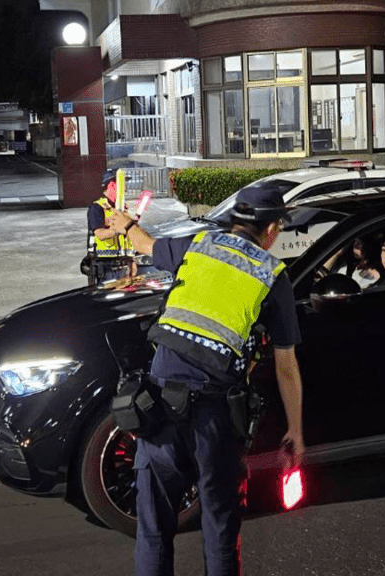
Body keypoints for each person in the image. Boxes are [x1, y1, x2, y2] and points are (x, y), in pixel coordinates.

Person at [107, 188, 305, 576]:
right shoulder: (272, 274)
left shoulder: (198, 244)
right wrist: (295, 431)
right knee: (219, 532)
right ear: (270, 230)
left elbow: (145, 244)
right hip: (213, 420)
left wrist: (124, 223)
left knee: (154, 532)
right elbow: (286, 367)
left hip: (157, 409)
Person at [86, 169, 135, 284]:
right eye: (122, 184)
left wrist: (133, 261)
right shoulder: (97, 208)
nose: (125, 188)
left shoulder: (123, 209)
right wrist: (119, 229)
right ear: (112, 185)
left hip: (124, 265)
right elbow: (100, 234)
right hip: (106, 266)